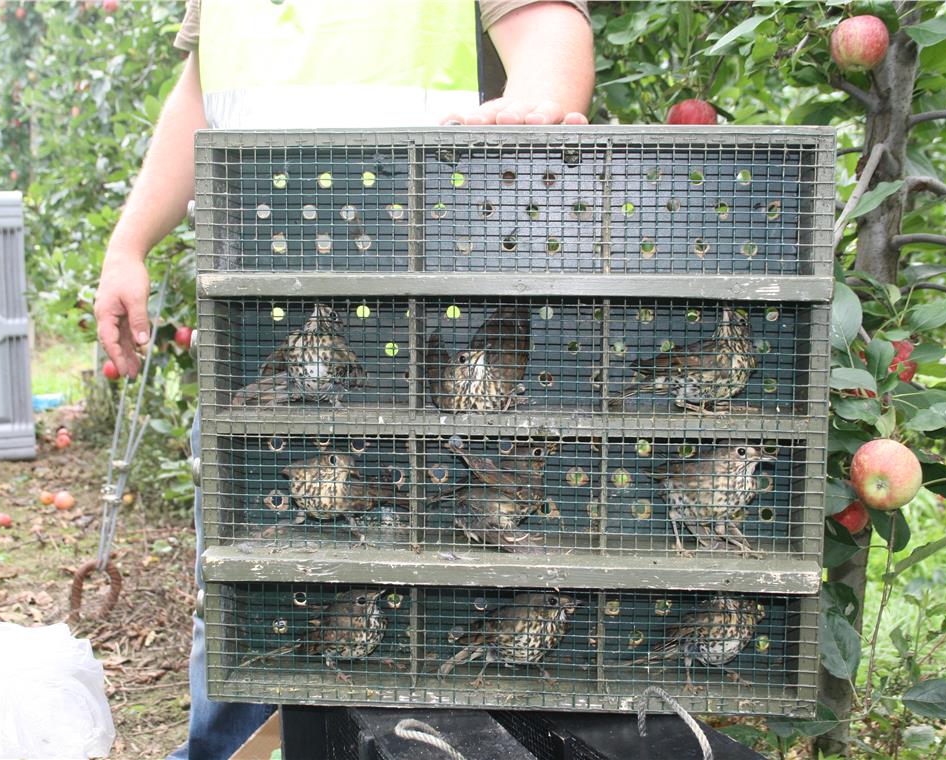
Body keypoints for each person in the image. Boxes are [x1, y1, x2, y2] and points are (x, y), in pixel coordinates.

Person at [94, 2, 594, 757]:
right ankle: (236, 748)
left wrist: (534, 109)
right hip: (259, 314)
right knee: (246, 580)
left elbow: (546, 22)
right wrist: (129, 242)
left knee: (425, 566)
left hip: (422, 306)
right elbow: (202, 89)